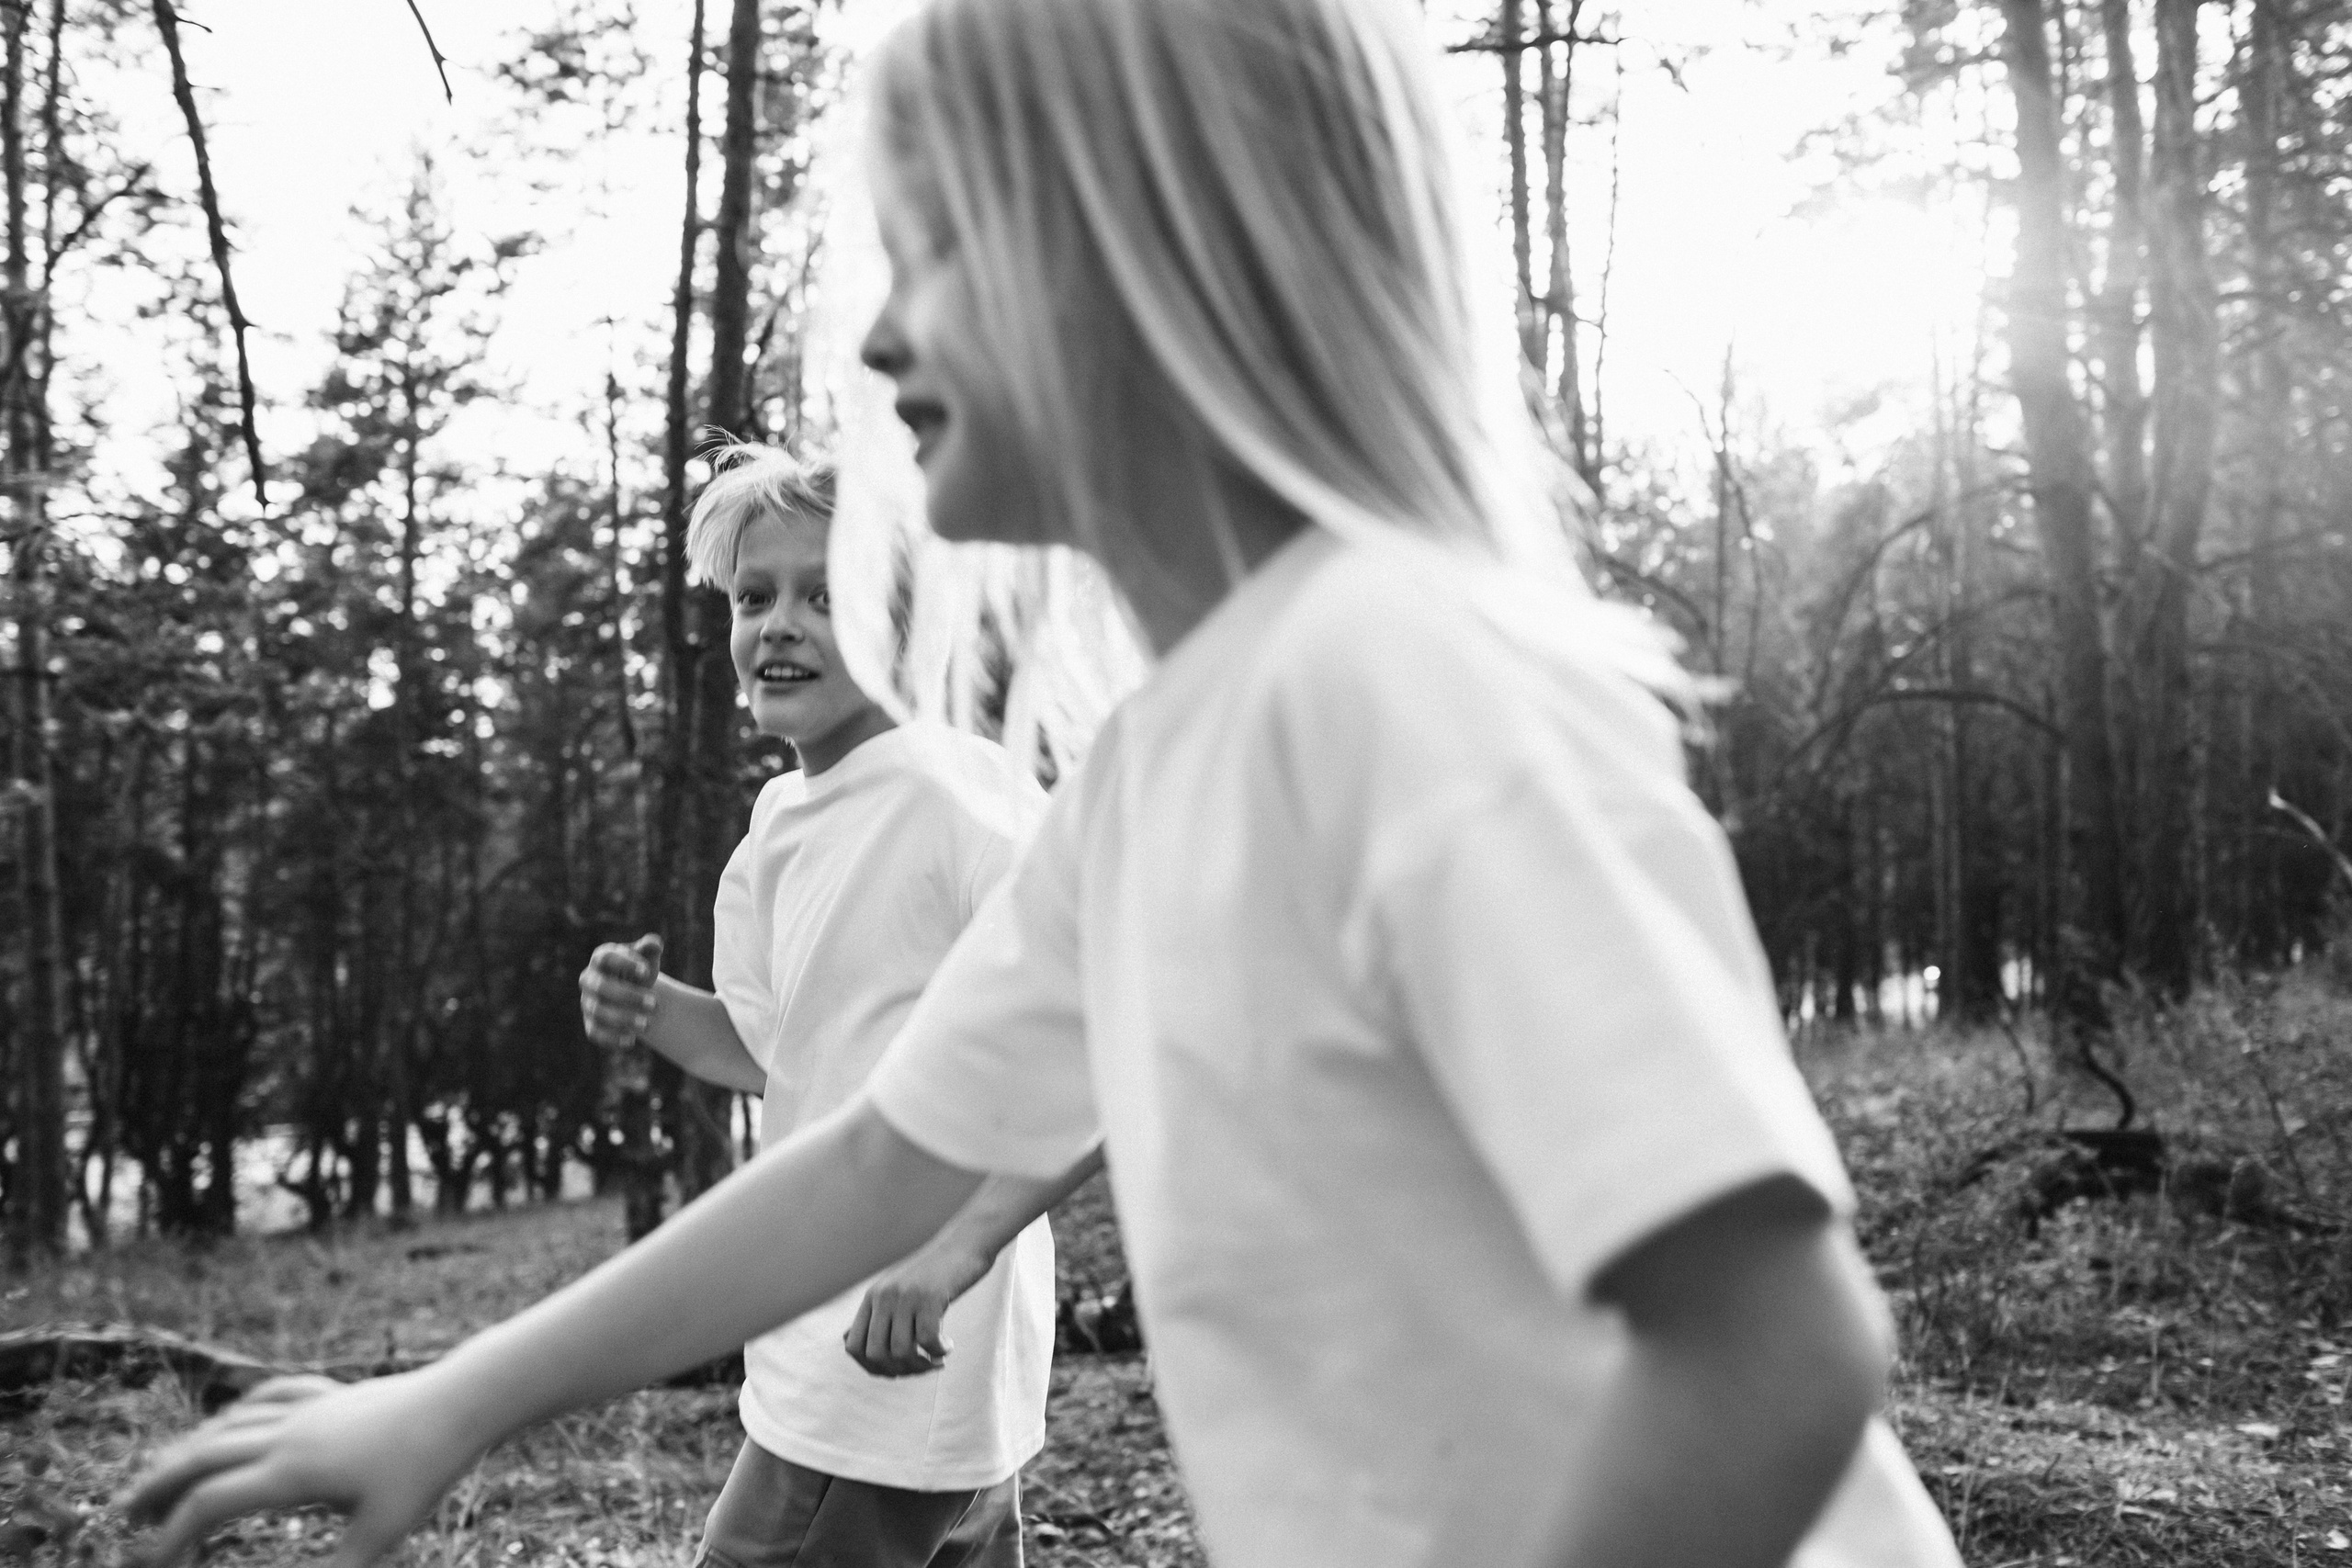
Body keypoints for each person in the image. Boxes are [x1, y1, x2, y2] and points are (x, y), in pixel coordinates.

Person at [123, 4, 1965, 1567]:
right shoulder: (1152, 778)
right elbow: (868, 1157)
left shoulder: (1406, 679)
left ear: (1148, 240)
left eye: (936, 245)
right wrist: (452, 1399)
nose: (872, 335)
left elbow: (1772, 1350)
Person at [573, 444, 1099, 1568]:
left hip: (889, 1360)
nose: (780, 624)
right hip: (852, 1347)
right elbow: (774, 1051)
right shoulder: (777, 827)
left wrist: (949, 1253)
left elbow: (1096, 1053)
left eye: (827, 594)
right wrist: (654, 1008)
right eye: (755, 596)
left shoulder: (959, 797)